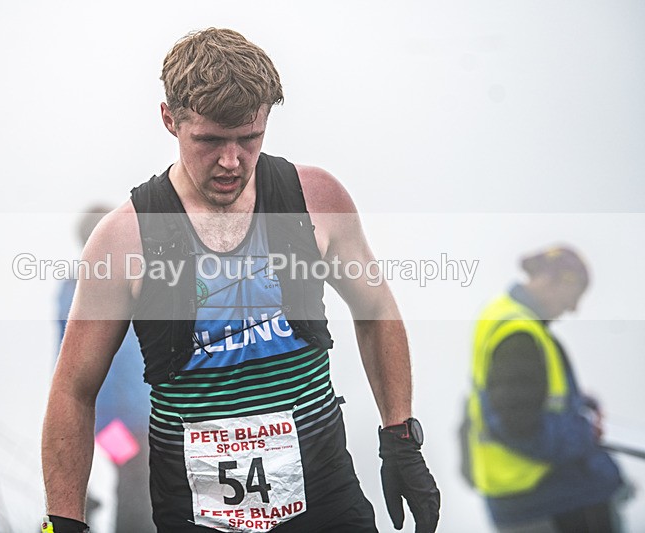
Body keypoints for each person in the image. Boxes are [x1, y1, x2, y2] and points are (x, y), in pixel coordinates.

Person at [41, 27, 439, 533]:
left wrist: (400, 437)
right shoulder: (124, 240)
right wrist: (64, 521)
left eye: (249, 139)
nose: (231, 161)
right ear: (170, 119)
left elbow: (376, 309)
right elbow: (74, 389)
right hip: (192, 507)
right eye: (209, 141)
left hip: (325, 497)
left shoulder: (315, 198)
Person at [466, 245, 626, 532]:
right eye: (575, 297)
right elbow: (519, 426)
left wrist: (575, 402)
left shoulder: (499, 312)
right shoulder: (520, 334)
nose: (573, 309)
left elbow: (512, 398)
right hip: (547, 498)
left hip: (518, 498)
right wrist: (586, 431)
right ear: (558, 281)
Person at [56, 206, 154, 533]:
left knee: (142, 482)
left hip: (141, 415)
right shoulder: (78, 293)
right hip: (112, 420)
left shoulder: (127, 284)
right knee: (136, 482)